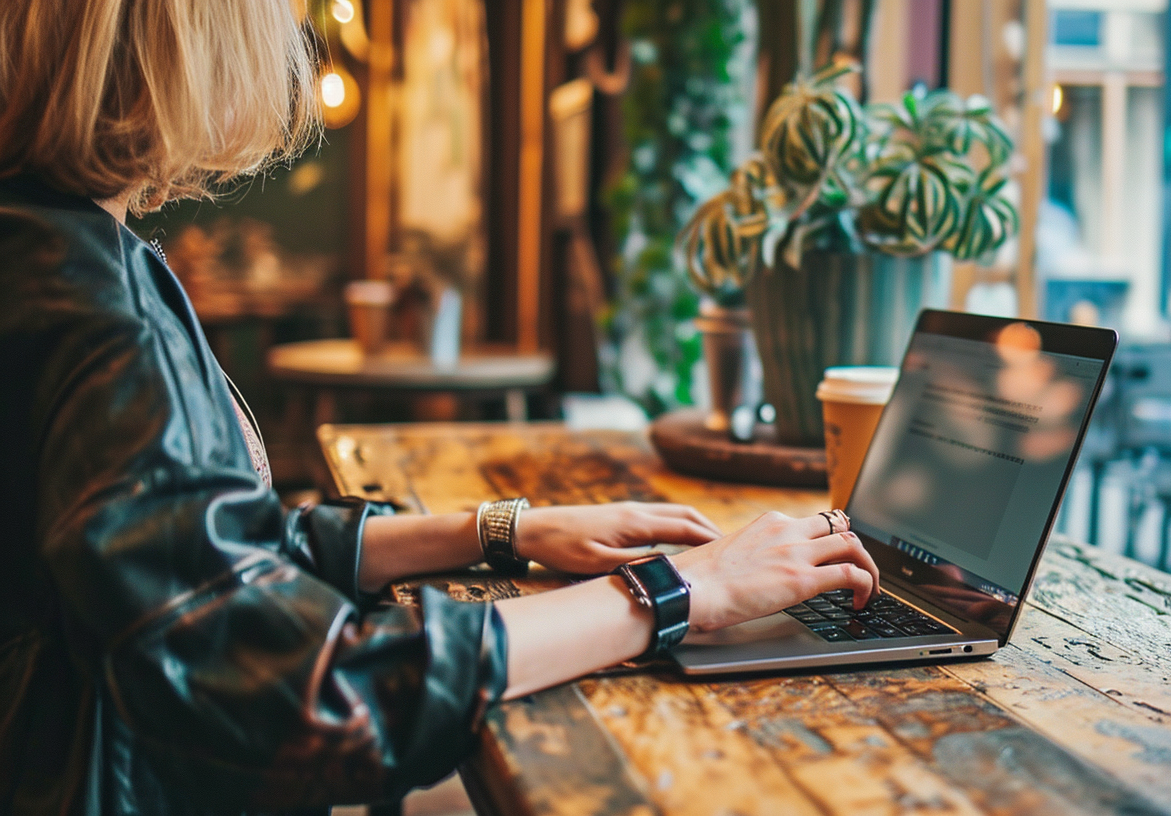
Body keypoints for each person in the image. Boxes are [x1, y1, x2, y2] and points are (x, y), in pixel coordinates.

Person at [0, 3, 878, 814]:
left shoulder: (50, 249)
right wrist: (679, 589)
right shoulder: (98, 316)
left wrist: (501, 530)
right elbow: (311, 693)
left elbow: (206, 563)